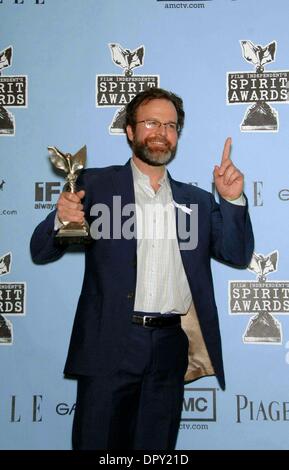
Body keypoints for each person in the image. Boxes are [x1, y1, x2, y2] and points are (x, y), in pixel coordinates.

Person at [30, 87, 254, 450]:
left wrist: (230, 200)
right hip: (109, 344)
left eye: (170, 125)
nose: (161, 132)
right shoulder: (96, 186)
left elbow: (237, 253)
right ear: (130, 131)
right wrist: (60, 220)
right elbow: (40, 251)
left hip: (169, 347)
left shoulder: (195, 201)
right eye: (151, 122)